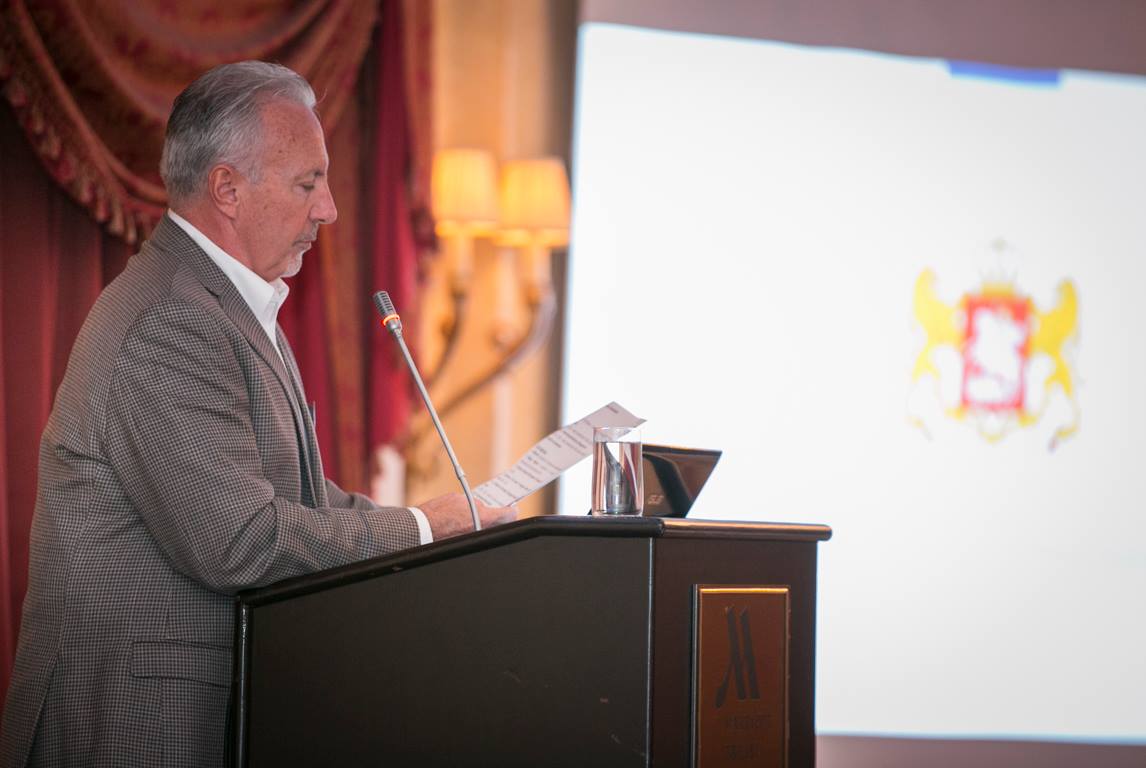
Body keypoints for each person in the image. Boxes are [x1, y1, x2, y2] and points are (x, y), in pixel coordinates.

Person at [0, 61, 515, 767]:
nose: (329, 209)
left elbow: (296, 498)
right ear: (227, 190)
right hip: (134, 725)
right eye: (308, 183)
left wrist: (433, 528)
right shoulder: (171, 319)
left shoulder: (230, 307)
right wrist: (423, 528)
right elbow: (240, 541)